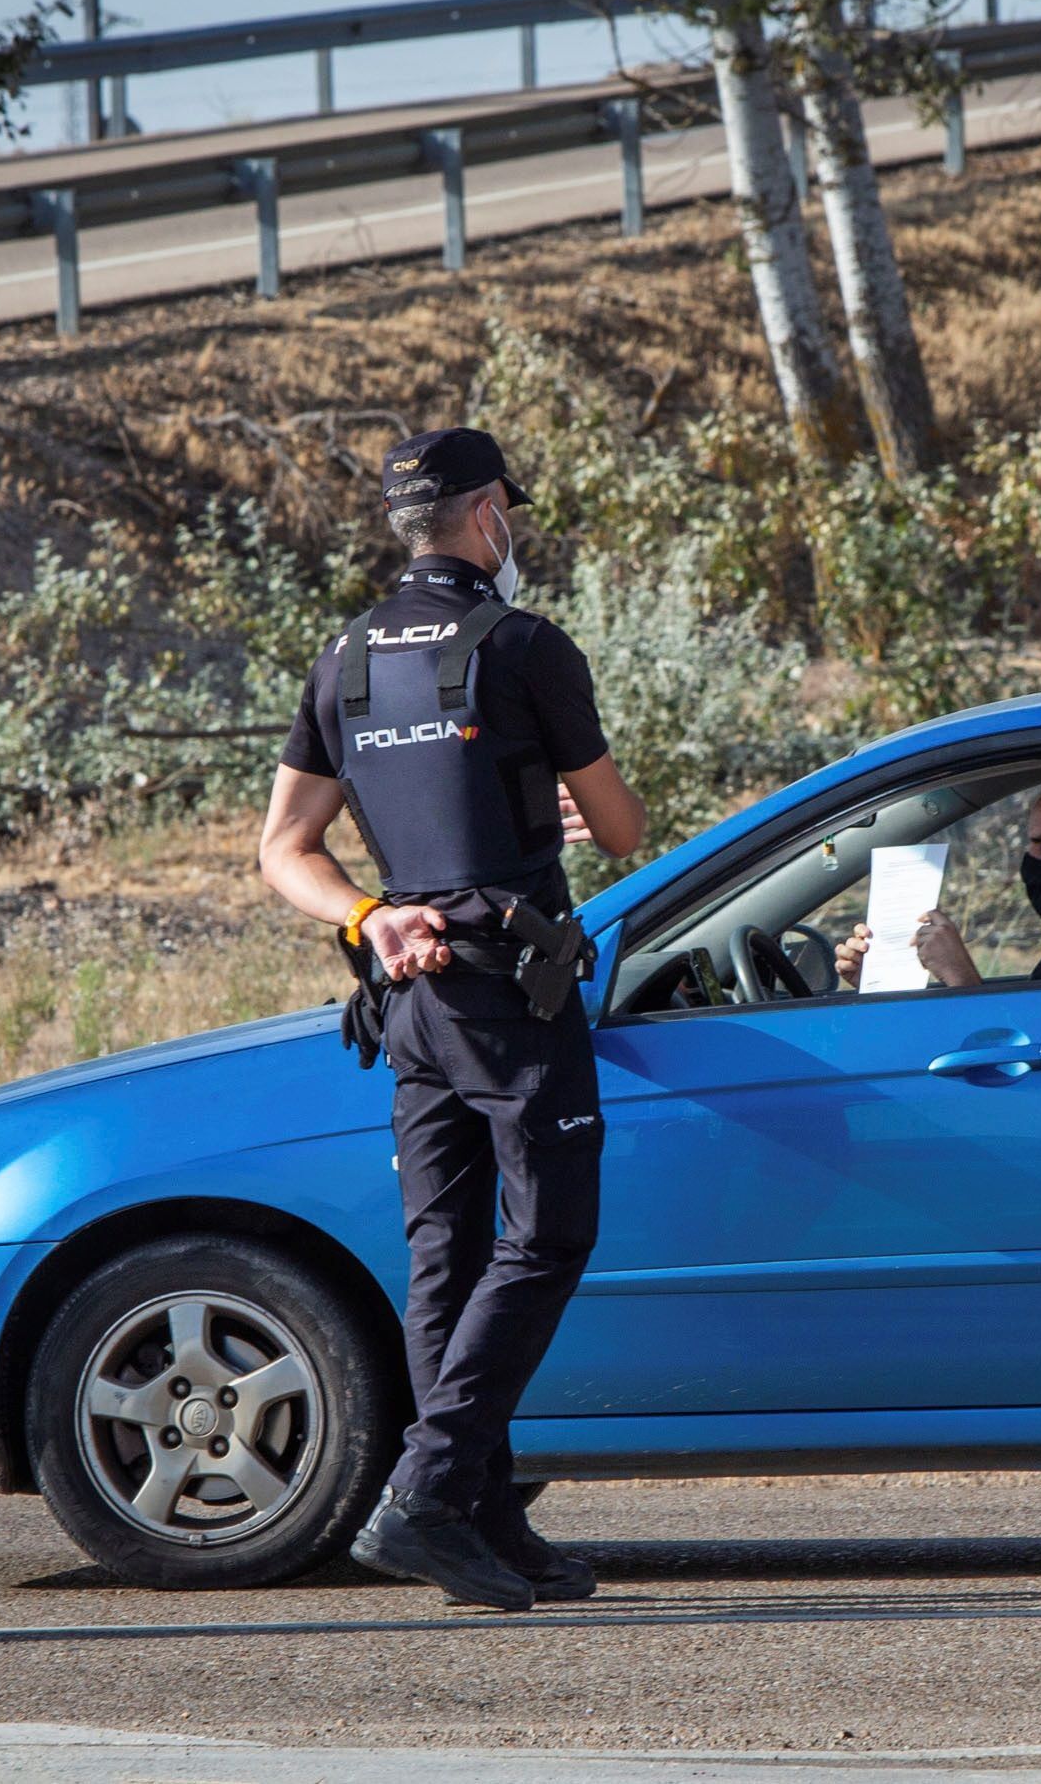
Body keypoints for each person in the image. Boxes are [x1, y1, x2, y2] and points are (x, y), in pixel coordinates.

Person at [255, 427, 646, 1613]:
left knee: (446, 1258)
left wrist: (371, 914)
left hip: (410, 995)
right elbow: (622, 830)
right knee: (547, 1238)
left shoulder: (345, 660)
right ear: (487, 519)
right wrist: (561, 814)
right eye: (506, 514)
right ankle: (427, 1491)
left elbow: (284, 849)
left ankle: (480, 1516)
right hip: (510, 997)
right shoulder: (522, 644)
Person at [833, 771, 1041, 989]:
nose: (1030, 862)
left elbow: (1026, 1060)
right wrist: (881, 981)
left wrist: (961, 978)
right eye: (1030, 845)